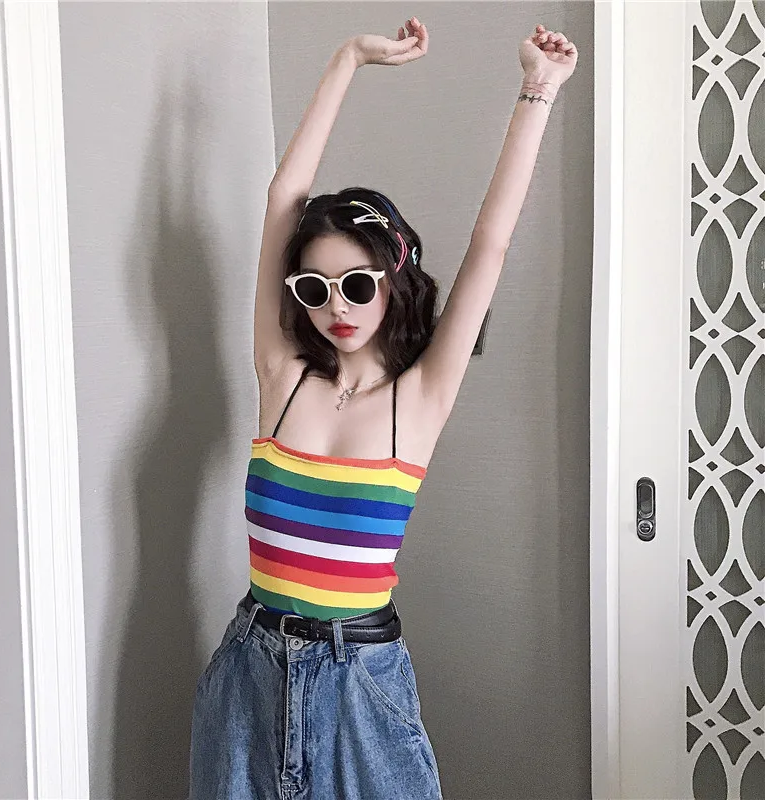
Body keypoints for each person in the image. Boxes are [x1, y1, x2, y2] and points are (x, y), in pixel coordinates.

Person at [189, 17, 578, 800]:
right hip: (250, 669)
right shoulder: (281, 376)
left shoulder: (420, 398)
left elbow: (491, 244)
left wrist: (539, 89)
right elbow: (283, 198)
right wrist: (347, 59)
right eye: (315, 288)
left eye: (358, 284)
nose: (337, 306)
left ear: (393, 279)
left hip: (359, 681)